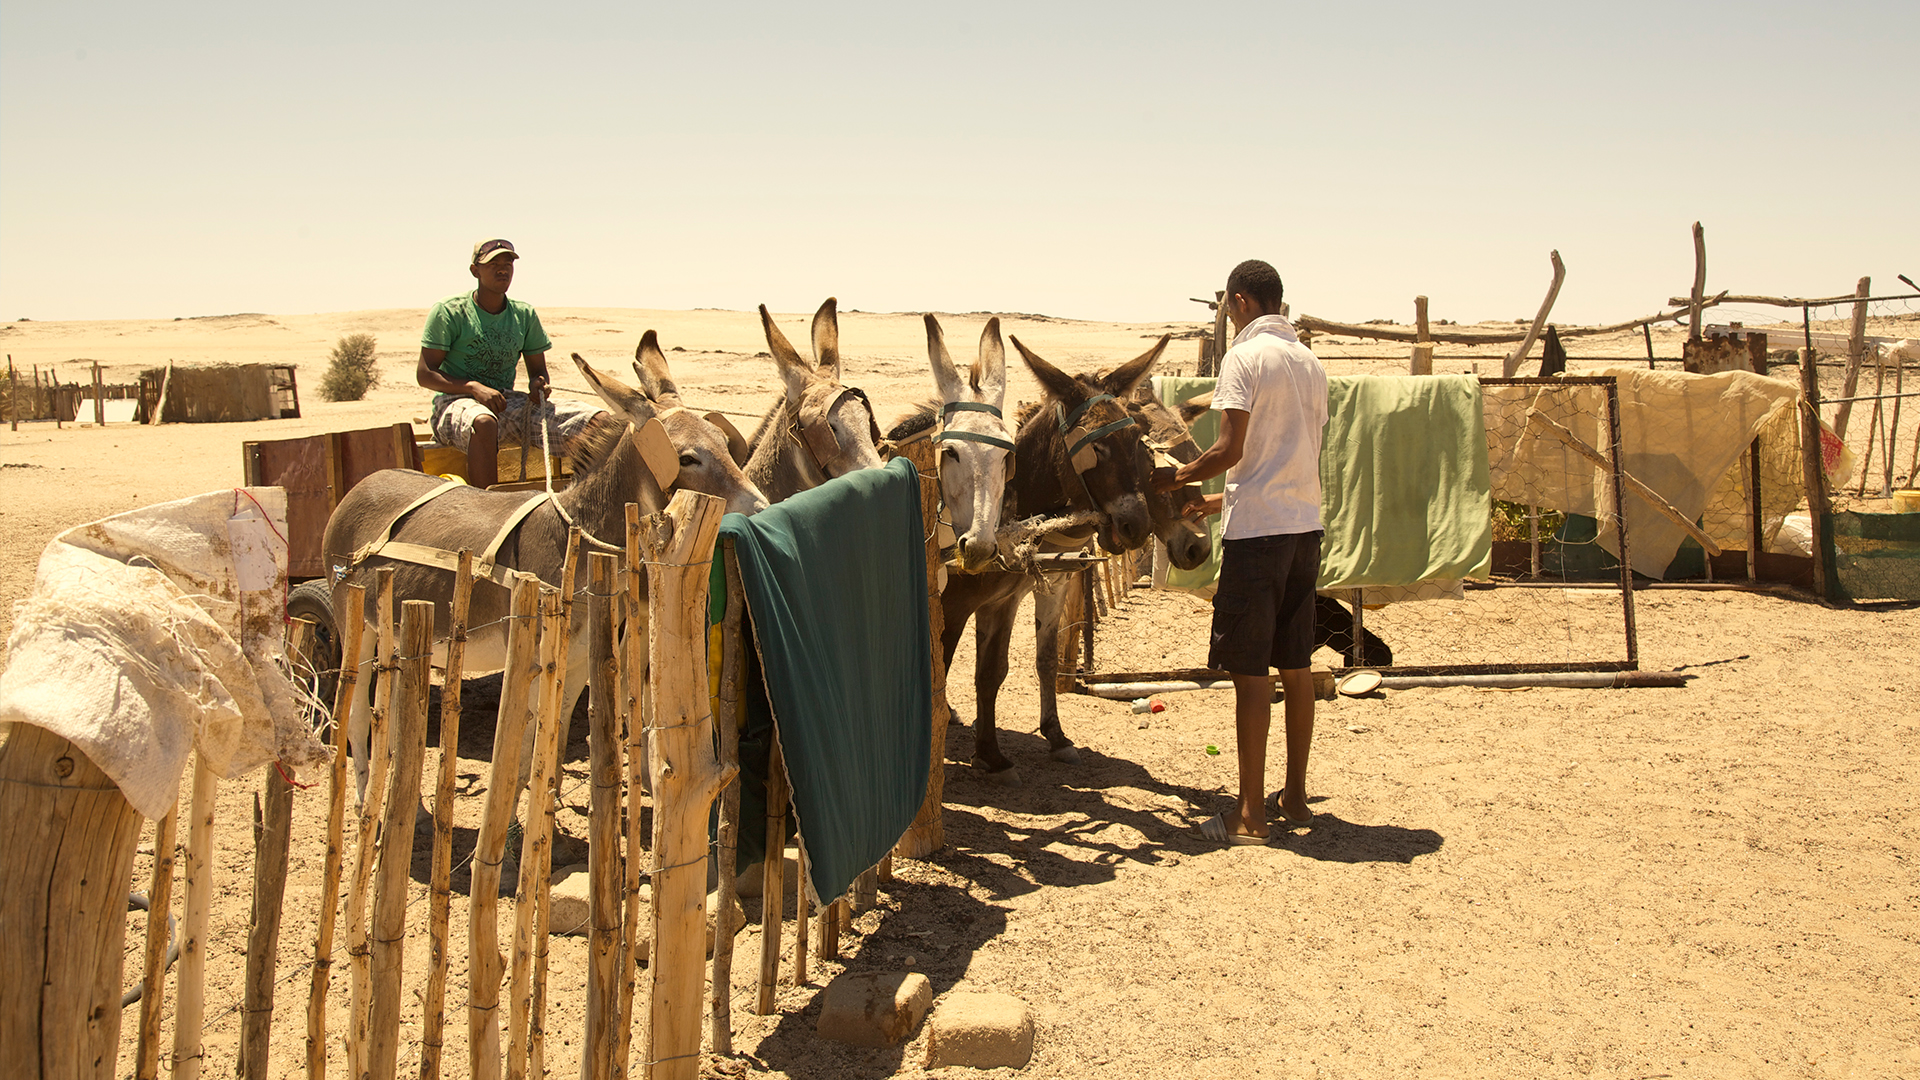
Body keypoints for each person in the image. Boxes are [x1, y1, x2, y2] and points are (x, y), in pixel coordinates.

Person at [1157, 259, 1328, 844]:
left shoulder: (1244, 357)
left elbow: (1230, 450)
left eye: (1230, 308)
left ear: (1239, 303)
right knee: (1297, 667)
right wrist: (1215, 504)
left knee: (1251, 675)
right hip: (1304, 527)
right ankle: (1297, 799)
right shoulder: (1309, 361)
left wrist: (1178, 479)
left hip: (1258, 538)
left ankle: (1250, 815)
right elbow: (1283, 455)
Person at [417, 238, 603, 489]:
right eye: (493, 263)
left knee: (596, 420)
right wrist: (473, 387)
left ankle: (590, 499)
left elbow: (538, 371)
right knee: (483, 421)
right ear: (475, 271)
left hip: (505, 403)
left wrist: (539, 384)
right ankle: (490, 506)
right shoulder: (449, 312)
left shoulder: (523, 314)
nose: (502, 269)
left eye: (508, 263)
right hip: (453, 404)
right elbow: (425, 374)